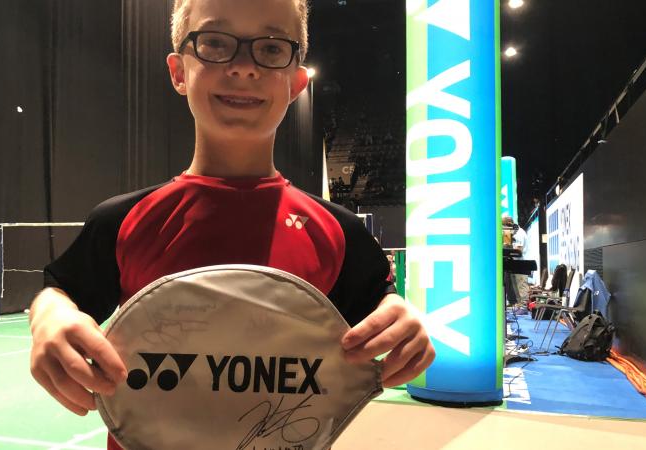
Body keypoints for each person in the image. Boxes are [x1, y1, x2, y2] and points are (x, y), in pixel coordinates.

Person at [28, 1, 435, 448]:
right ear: (179, 71)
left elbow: (385, 309)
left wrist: (407, 322)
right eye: (216, 43)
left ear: (296, 82)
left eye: (272, 47)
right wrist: (49, 315)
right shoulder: (124, 221)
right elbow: (61, 289)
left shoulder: (338, 233)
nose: (244, 67)